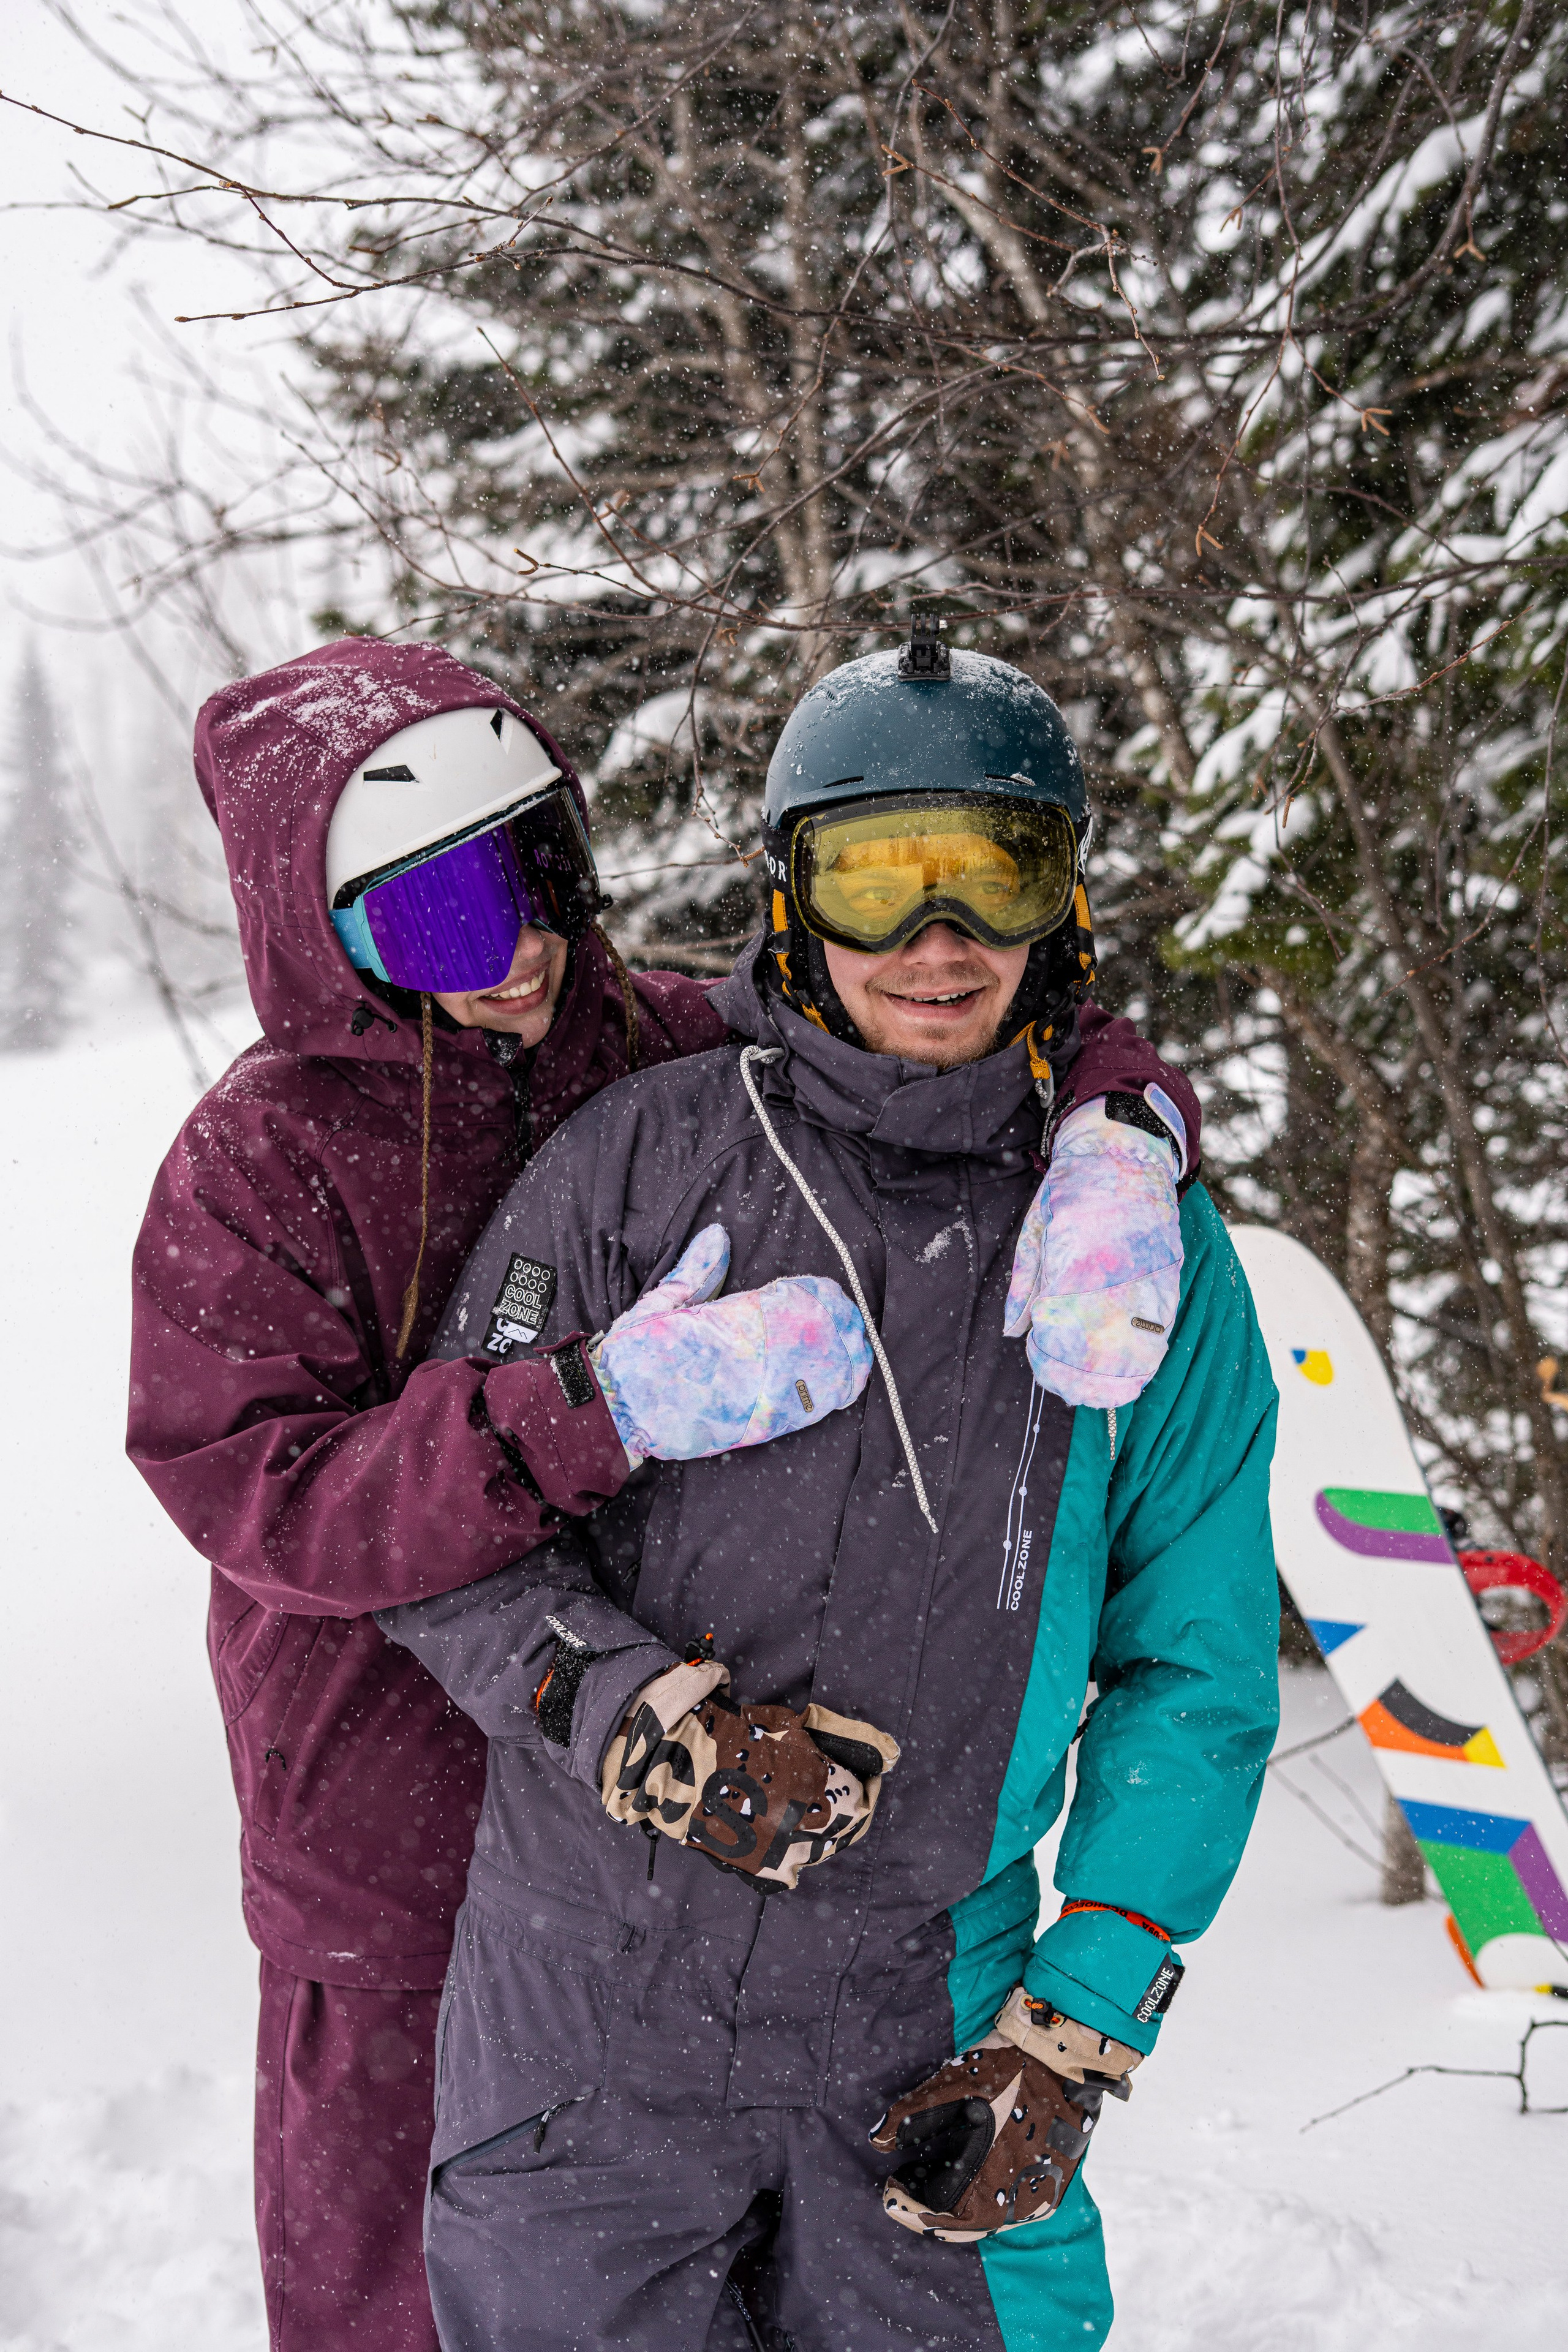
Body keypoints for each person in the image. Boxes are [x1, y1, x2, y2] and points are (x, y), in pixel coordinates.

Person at [126, 630, 1207, 2352]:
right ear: (319, 938)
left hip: (671, 1881)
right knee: (398, 2301)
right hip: (390, 1843)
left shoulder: (638, 1049)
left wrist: (1119, 1118)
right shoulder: (262, 1161)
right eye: (448, 921)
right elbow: (262, 1490)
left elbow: (927, 1020)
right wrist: (593, 1407)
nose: (527, 952)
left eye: (544, 877)